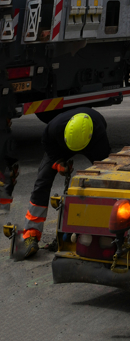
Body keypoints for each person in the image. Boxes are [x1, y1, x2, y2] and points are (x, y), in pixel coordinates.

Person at [13, 107, 110, 261]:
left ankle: (100, 228)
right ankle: (31, 234)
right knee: (42, 181)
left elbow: (107, 168)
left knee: (104, 180)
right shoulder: (53, 129)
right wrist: (58, 163)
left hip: (91, 143)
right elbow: (48, 146)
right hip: (61, 146)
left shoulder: (99, 133)